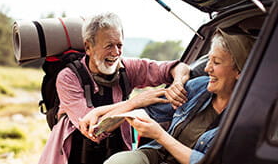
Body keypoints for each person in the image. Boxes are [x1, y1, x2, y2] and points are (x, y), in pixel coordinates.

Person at [38, 13, 190, 164]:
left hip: (115, 150)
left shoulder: (127, 68)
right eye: (109, 46)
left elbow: (179, 67)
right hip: (74, 153)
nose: (116, 52)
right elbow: (93, 129)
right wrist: (135, 103)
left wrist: (177, 82)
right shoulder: (68, 77)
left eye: (120, 45)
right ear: (88, 47)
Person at [103, 27, 255, 164]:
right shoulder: (199, 86)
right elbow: (151, 109)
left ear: (240, 72)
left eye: (216, 62)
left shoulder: (248, 121)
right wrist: (100, 113)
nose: (208, 68)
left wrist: (161, 135)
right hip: (157, 155)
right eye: (209, 59)